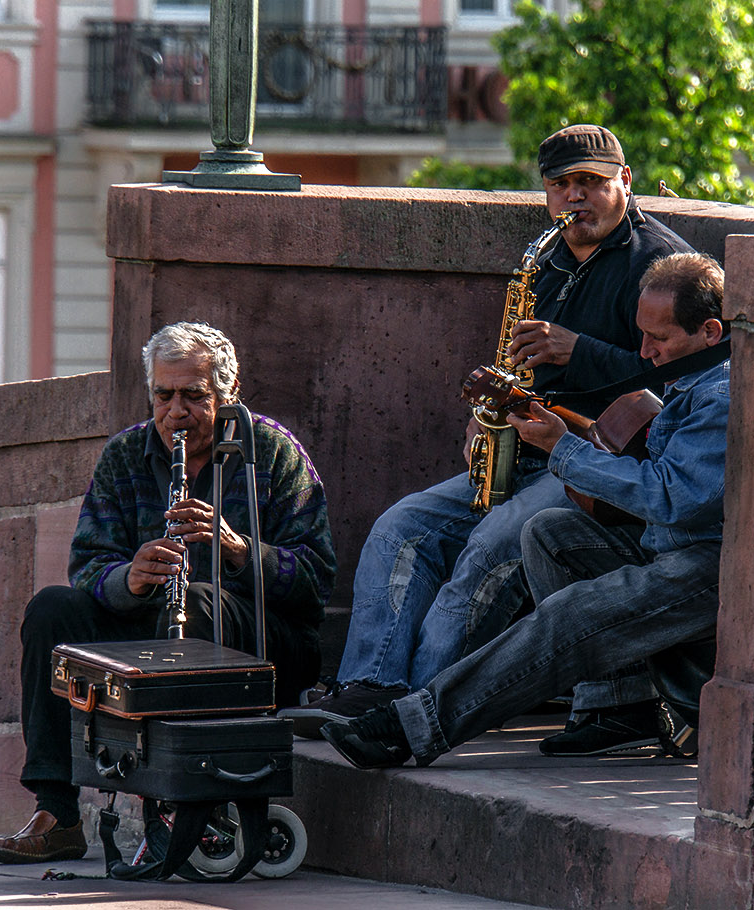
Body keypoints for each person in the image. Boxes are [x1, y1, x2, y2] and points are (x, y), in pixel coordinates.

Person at [283, 124, 694, 741]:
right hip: (529, 446)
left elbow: (684, 376)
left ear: (624, 182)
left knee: (491, 545)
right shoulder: (545, 261)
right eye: (561, 186)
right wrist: (492, 414)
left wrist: (578, 351)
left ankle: (413, 709)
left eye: (591, 183)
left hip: (597, 461)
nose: (575, 198)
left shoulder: (660, 264)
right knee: (403, 525)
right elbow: (525, 363)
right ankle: (370, 684)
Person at [318, 251, 728, 769]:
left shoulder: (720, 396)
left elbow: (672, 498)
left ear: (711, 331)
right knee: (550, 532)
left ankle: (415, 725)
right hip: (669, 549)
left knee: (568, 616)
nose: (644, 352)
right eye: (641, 334)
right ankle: (618, 709)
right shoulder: (692, 381)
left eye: (660, 339)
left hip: (707, 567)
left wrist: (563, 448)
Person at [0, 322, 336, 865]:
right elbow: (87, 564)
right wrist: (129, 579)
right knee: (52, 611)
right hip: (151, 631)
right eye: (164, 395)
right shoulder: (127, 453)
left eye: (194, 396)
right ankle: (58, 812)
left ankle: (180, 800)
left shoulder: (271, 451)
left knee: (196, 602)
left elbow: (317, 582)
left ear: (227, 392)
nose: (176, 412)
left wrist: (239, 550)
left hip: (263, 644)